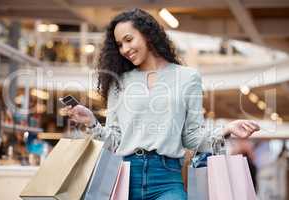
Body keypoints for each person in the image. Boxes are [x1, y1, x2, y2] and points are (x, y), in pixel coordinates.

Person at [63, 8, 260, 200]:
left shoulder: (187, 78)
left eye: (129, 39)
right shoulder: (119, 82)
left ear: (148, 35)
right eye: (119, 44)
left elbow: (192, 137)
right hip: (125, 177)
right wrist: (91, 122)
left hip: (167, 179)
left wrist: (226, 129)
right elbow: (115, 141)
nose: (124, 49)